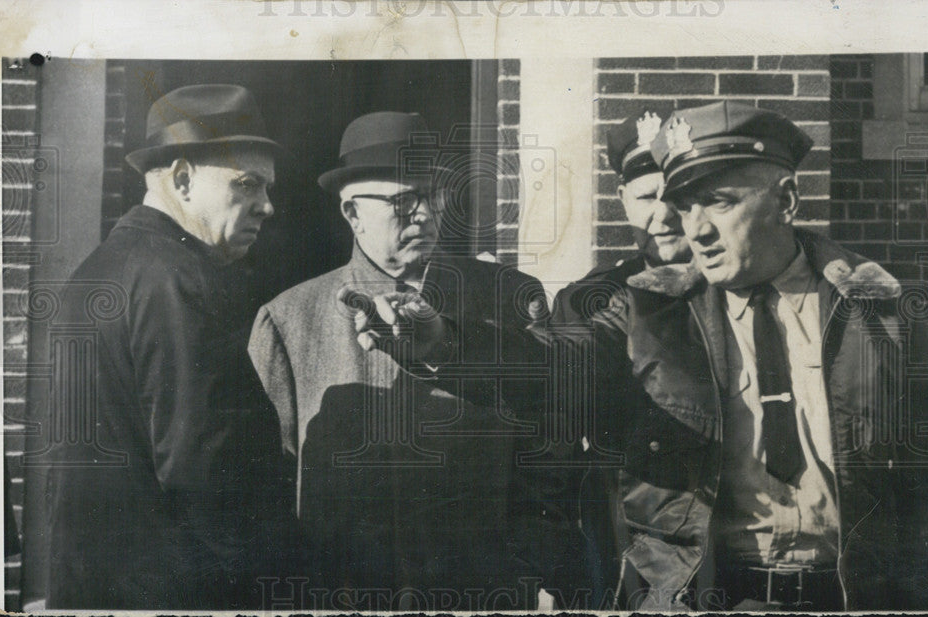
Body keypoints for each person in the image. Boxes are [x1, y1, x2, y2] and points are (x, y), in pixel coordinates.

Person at [602, 100, 928, 611]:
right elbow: (552, 375)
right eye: (685, 207)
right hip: (709, 599)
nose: (695, 230)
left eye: (719, 202)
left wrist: (921, 598)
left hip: (852, 599)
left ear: (786, 200)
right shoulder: (650, 317)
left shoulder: (879, 312)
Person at [248, 111, 568, 610]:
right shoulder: (290, 321)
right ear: (352, 214)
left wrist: (533, 570)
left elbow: (552, 446)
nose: (424, 214)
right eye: (402, 201)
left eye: (433, 196)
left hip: (482, 591)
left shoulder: (508, 297)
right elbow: (267, 487)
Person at [45, 84, 292, 609]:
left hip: (91, 586)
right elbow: (204, 470)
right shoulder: (179, 278)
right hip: (174, 590)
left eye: (267, 189)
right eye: (247, 185)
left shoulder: (94, 272)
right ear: (182, 179)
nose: (266, 207)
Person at [547, 109, 695, 608]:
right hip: (621, 522)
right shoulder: (587, 299)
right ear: (622, 202)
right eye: (647, 197)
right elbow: (561, 437)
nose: (665, 214)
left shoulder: (737, 288)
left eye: (676, 194)